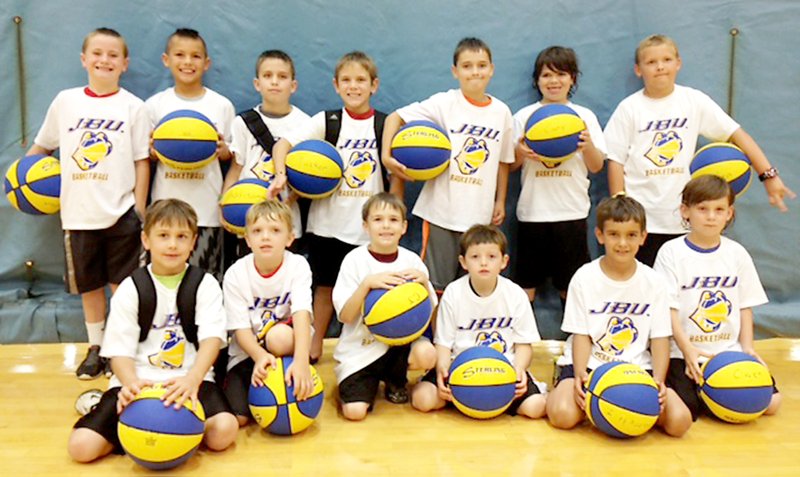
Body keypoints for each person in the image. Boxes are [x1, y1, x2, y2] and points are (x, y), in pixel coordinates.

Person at [67, 199, 238, 462]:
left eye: (181, 236)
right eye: (163, 236)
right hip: (139, 381)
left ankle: (170, 433)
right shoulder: (131, 287)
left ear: (194, 242)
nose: (172, 244)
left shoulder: (205, 285)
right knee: (80, 448)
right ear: (146, 240)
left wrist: (192, 380)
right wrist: (131, 385)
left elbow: (212, 340)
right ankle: (132, 429)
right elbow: (119, 352)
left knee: (224, 432)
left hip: (189, 380)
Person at [603, 34, 795, 266]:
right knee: (645, 290)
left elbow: (737, 134)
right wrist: (620, 208)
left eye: (666, 59)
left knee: (685, 287)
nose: (660, 66)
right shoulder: (629, 108)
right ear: (638, 69)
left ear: (678, 63)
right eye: (651, 62)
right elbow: (615, 160)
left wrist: (768, 175)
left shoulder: (693, 101)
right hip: (643, 219)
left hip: (686, 218)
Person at [27, 27, 150, 380]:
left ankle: (120, 349)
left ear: (124, 64)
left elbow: (142, 160)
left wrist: (139, 207)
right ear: (84, 59)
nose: (104, 60)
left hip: (122, 213)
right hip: (78, 214)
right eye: (97, 53)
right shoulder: (66, 102)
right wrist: (23, 179)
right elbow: (41, 149)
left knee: (123, 288)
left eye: (113, 55)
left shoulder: (133, 107)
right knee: (90, 287)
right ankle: (96, 347)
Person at [270, 51, 387, 363]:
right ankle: (314, 344)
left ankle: (372, 352)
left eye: (361, 80)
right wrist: (283, 175)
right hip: (327, 223)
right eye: (346, 80)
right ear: (336, 85)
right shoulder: (327, 121)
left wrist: (394, 206)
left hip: (368, 228)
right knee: (324, 289)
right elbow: (282, 145)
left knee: (371, 293)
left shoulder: (383, 124)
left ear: (374, 85)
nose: (354, 86)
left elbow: (393, 174)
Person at [546, 194, 692, 437]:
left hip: (635, 368)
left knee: (679, 422)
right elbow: (581, 335)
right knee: (563, 416)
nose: (622, 243)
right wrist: (581, 375)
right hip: (590, 364)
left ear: (643, 237)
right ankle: (565, 388)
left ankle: (620, 408)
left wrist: (658, 381)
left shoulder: (654, 282)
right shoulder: (584, 277)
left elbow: (659, 339)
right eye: (614, 234)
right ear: (600, 235)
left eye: (631, 235)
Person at [381, 37, 515, 293]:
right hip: (442, 212)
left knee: (474, 287)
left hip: (480, 216)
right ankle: (436, 334)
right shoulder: (445, 103)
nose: (475, 72)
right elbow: (395, 118)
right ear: (455, 72)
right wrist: (387, 157)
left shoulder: (502, 112)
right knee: (435, 287)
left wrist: (500, 201)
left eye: (481, 65)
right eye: (467, 66)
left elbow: (502, 161)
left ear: (492, 69)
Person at [654, 175, 782, 420]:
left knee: (772, 402)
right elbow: (667, 311)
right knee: (687, 411)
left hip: (726, 353)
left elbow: (745, 306)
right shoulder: (671, 253)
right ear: (685, 211)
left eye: (719, 209)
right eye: (702, 209)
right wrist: (687, 348)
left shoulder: (737, 254)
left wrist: (747, 348)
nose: (711, 216)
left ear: (729, 213)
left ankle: (715, 396)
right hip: (684, 353)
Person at [412, 224, 547, 419]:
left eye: (491, 257)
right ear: (463, 262)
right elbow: (443, 344)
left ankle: (479, 401)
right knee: (422, 399)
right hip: (460, 369)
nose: (483, 263)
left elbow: (524, 345)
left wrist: (519, 370)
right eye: (475, 257)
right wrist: (442, 371)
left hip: (502, 370)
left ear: (504, 261)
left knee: (536, 407)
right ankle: (465, 399)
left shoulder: (515, 294)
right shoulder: (453, 292)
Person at [511, 46, 606, 318]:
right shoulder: (524, 116)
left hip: (571, 212)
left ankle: (573, 345)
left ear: (573, 79)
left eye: (561, 74)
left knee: (572, 286)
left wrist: (587, 146)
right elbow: (511, 165)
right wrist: (521, 152)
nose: (553, 81)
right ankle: (523, 343)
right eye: (546, 75)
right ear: (537, 81)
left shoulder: (584, 117)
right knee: (525, 286)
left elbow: (597, 165)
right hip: (532, 213)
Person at [332, 193, 437, 421]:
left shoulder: (413, 263)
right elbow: (345, 316)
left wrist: (425, 284)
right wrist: (367, 285)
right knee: (354, 413)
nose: (386, 225)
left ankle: (395, 380)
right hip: (360, 350)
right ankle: (356, 381)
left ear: (404, 227)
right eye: (378, 219)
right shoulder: (354, 261)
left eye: (393, 219)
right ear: (365, 226)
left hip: (397, 348)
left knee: (427, 353)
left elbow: (427, 314)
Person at [145, 28, 235, 281]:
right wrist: (154, 152)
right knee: (164, 282)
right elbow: (146, 158)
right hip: (164, 210)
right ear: (167, 60)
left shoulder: (221, 105)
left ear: (206, 64)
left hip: (207, 212)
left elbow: (230, 155)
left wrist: (222, 150)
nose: (187, 62)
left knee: (205, 282)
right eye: (180, 55)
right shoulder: (154, 105)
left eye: (195, 56)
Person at [222, 200, 314, 427]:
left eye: (275, 231)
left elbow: (302, 313)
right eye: (257, 231)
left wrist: (302, 361)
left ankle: (290, 368)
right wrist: (259, 356)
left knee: (278, 337)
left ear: (290, 238)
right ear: (247, 239)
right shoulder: (235, 274)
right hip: (248, 350)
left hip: (285, 343)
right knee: (240, 419)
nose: (265, 237)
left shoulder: (298, 265)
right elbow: (240, 330)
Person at [222, 50, 310, 263]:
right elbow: (236, 167)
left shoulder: (305, 123)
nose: (274, 82)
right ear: (257, 83)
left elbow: (307, 177)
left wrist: (290, 200)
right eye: (267, 76)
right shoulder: (242, 122)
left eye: (282, 76)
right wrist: (224, 204)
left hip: (286, 217)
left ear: (293, 85)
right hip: (248, 215)